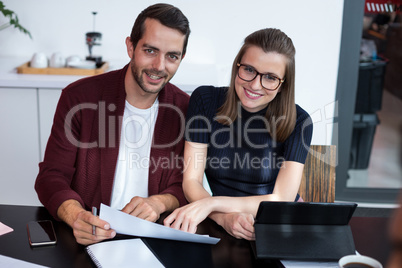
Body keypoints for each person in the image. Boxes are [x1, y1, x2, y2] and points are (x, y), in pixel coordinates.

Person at [35, 3, 190, 245]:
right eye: (150, 50)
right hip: (90, 238)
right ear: (130, 46)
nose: (159, 66)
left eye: (172, 56)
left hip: (154, 238)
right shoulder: (79, 98)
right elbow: (52, 177)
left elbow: (187, 185)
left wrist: (159, 203)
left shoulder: (186, 110)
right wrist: (76, 216)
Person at [164, 28, 313, 240]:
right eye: (249, 69)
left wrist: (212, 203)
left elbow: (281, 198)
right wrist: (223, 218)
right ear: (237, 66)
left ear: (282, 85)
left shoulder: (300, 121)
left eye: (270, 77)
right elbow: (191, 181)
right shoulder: (205, 100)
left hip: (273, 223)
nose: (254, 85)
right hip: (220, 223)